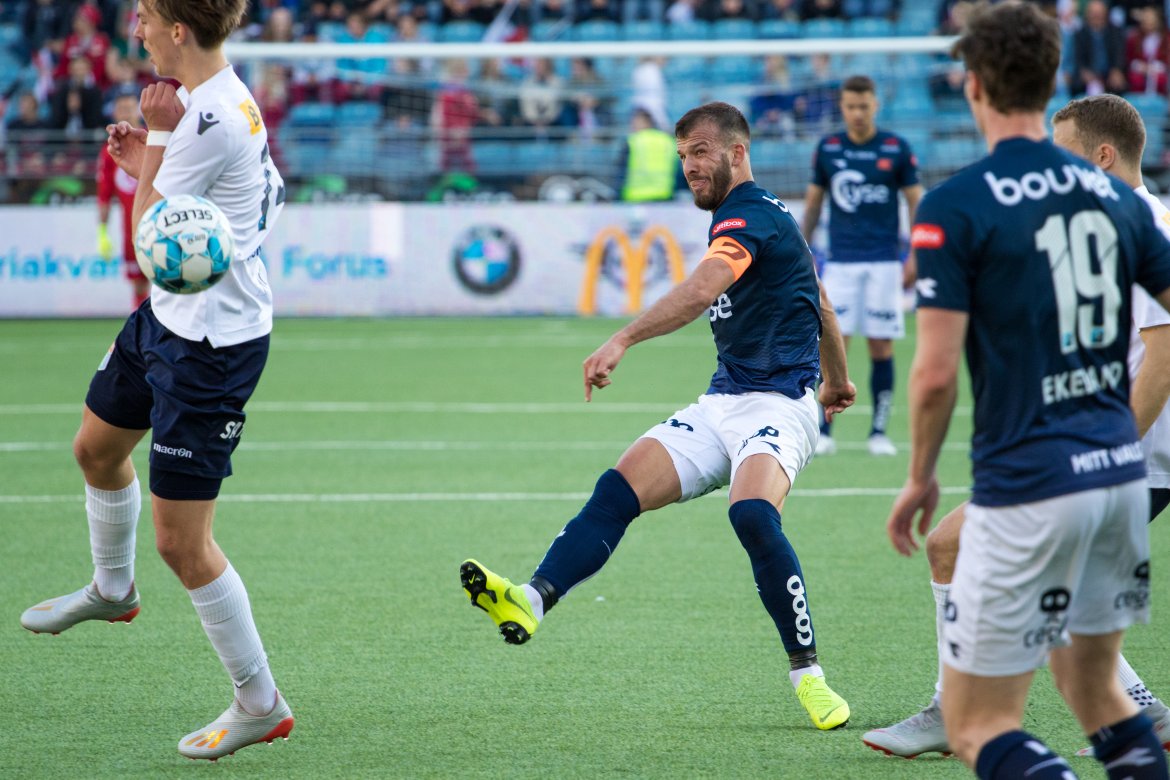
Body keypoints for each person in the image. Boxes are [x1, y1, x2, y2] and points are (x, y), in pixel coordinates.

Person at [459, 101, 859, 732]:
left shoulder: (749, 214)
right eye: (683, 157)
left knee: (753, 514)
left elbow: (703, 290)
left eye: (700, 153)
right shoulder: (763, 218)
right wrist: (839, 377)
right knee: (618, 488)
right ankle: (531, 599)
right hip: (723, 399)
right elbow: (823, 303)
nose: (689, 168)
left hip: (780, 404)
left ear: (736, 152)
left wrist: (621, 339)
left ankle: (809, 677)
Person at [883, 4, 1170, 777]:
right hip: (1116, 476)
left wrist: (918, 476)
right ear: (1048, 84)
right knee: (1102, 696)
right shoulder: (1117, 200)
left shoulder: (958, 204)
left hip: (1033, 476)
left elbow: (937, 370)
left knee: (981, 726)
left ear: (973, 85)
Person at [19, 0, 293, 762]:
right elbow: (223, 203)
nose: (133, 25)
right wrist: (153, 159)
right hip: (167, 321)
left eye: (144, 14)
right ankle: (113, 590)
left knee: (183, 543)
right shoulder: (213, 103)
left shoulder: (204, 119)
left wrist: (165, 140)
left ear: (179, 28)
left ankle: (260, 702)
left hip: (212, 348)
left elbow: (150, 244)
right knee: (95, 450)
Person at [801, 74, 923, 457]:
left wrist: (917, 254)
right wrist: (801, 252)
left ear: (875, 105)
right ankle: (824, 429)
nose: (857, 113)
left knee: (881, 346)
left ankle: (878, 431)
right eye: (851, 106)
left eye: (864, 106)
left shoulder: (896, 148)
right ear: (842, 107)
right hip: (841, 262)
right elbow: (814, 205)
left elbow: (918, 203)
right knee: (834, 344)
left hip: (885, 263)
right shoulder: (829, 148)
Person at [96, 88, 149, 308]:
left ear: (138, 110)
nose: (126, 113)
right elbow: (104, 195)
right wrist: (102, 233)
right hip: (132, 229)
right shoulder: (110, 151)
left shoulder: (154, 141)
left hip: (162, 222)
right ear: (115, 114)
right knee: (138, 285)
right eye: (121, 109)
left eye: (130, 108)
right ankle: (143, 334)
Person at [617, 107, 681, 202]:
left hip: (635, 197)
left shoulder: (632, 140)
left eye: (634, 122)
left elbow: (620, 171)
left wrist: (616, 195)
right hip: (664, 196)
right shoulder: (668, 141)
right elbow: (679, 170)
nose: (632, 126)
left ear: (646, 122)